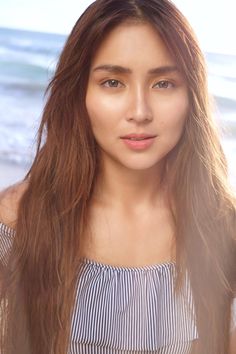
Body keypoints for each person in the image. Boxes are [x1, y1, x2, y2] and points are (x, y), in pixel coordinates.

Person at [0, 0, 235, 353]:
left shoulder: (224, 228)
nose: (139, 112)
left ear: (192, 97)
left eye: (164, 84)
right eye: (113, 82)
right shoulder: (18, 219)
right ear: (80, 93)